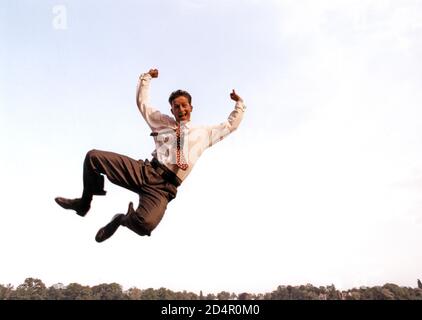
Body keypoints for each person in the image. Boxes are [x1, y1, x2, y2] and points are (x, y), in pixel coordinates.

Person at [55, 68, 246, 242]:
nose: (181, 110)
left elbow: (230, 126)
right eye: (176, 107)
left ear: (191, 107)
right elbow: (143, 104)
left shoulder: (203, 133)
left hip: (164, 188)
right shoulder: (163, 122)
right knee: (93, 157)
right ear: (171, 110)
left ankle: (121, 219)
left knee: (144, 225)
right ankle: (83, 203)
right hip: (146, 171)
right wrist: (146, 78)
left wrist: (239, 103)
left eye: (184, 106)